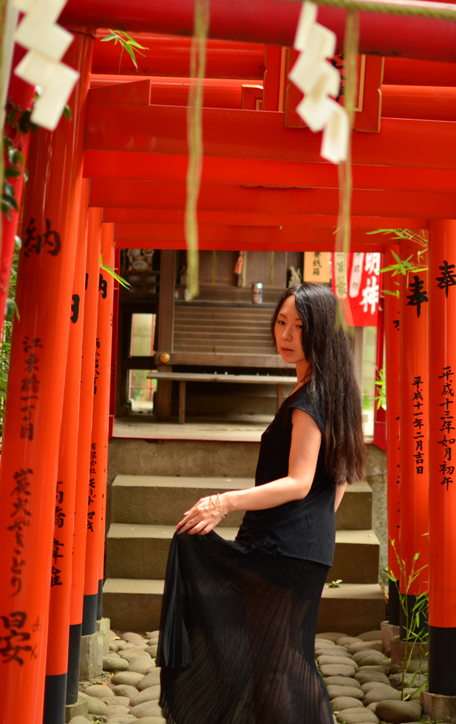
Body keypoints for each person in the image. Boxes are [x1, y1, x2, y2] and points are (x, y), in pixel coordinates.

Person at [157, 283, 367, 724]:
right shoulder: (330, 390)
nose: (287, 335)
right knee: (285, 661)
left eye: (300, 327)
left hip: (282, 549)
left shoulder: (310, 400)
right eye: (281, 322)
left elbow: (299, 481)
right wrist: (309, 527)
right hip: (299, 547)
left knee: (275, 666)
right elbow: (341, 478)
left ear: (322, 333)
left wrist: (223, 502)